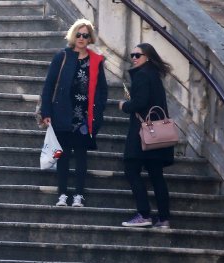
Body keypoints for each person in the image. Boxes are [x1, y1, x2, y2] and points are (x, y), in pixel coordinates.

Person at [39, 19, 108, 208]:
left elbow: (103, 90)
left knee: (81, 156)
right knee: (62, 156)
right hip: (62, 113)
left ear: (90, 38)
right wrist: (46, 111)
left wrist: (99, 111)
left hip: (85, 117)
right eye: (79, 34)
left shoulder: (95, 60)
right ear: (73, 35)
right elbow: (49, 86)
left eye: (85, 35)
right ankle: (62, 194)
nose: (82, 38)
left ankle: (78, 195)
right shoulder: (62, 56)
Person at [119, 43, 175, 228]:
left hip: (143, 133)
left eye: (138, 55)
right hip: (157, 133)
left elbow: (140, 102)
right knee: (156, 175)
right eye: (132, 54)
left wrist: (124, 106)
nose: (134, 58)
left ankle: (143, 214)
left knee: (131, 169)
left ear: (148, 57)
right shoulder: (154, 75)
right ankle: (164, 218)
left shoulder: (142, 75)